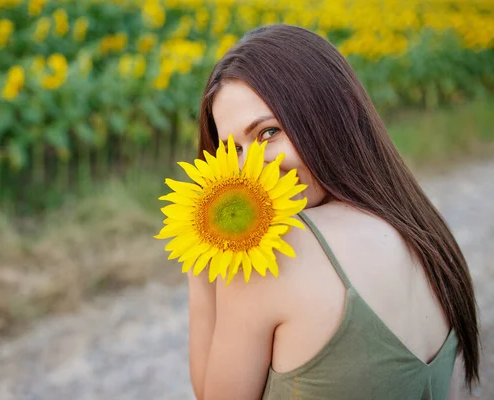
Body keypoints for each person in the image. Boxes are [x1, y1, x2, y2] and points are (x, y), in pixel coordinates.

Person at [187, 24, 480, 400]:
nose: (251, 170)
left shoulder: (272, 256)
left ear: (335, 110)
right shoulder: (425, 233)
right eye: (235, 150)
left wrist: (200, 261)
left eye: (267, 133)